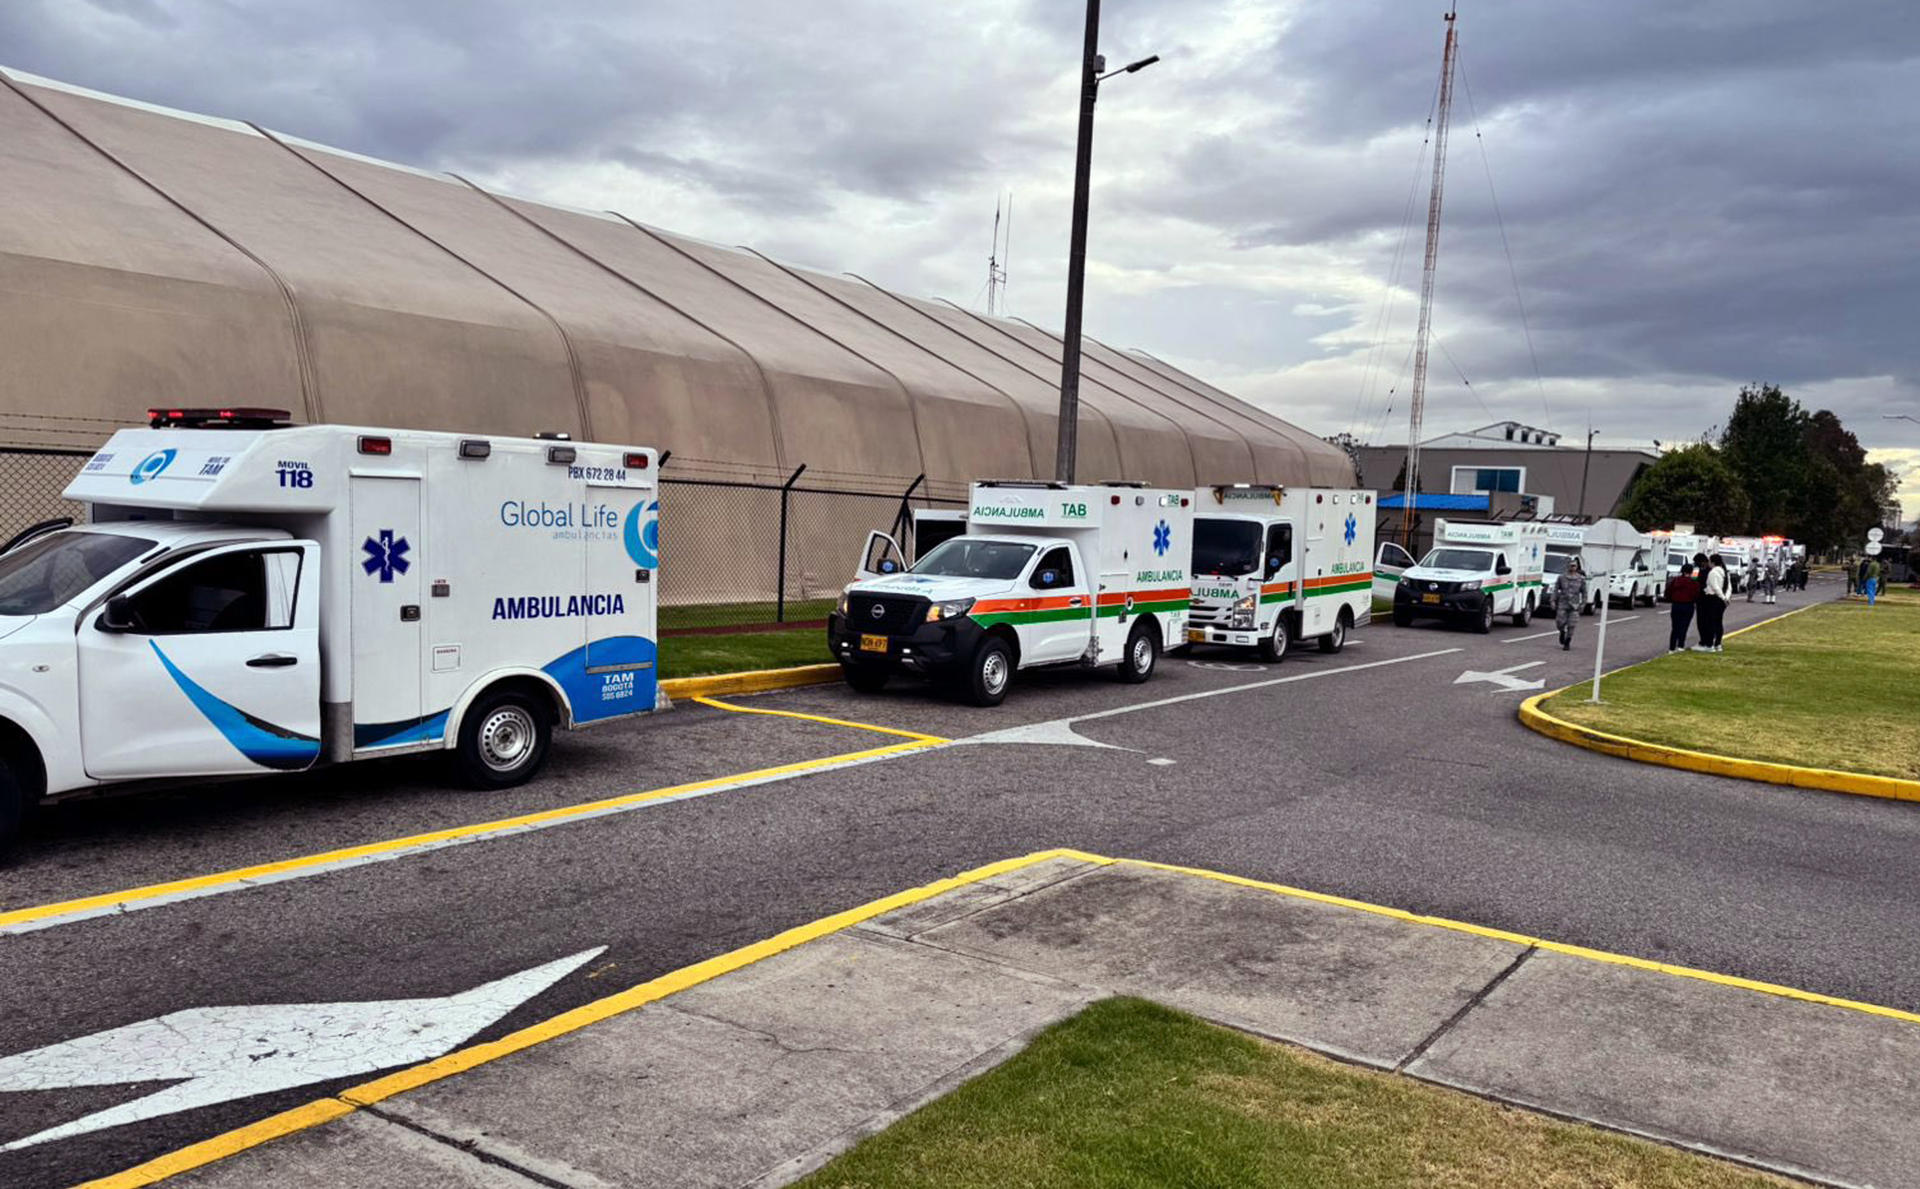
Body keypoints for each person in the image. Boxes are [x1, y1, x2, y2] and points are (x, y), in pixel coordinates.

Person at [1695, 551, 1729, 652]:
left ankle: (1709, 645)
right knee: (1717, 622)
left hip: (1712, 598)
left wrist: (1723, 598)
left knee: (1710, 622)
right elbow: (1726, 586)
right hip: (1718, 599)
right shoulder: (1723, 571)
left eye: (1710, 561)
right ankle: (1717, 643)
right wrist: (1725, 598)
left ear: (1713, 562)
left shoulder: (1713, 572)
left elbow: (1714, 587)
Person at [1666, 561, 1700, 653]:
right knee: (1684, 627)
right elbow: (1696, 595)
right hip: (1688, 606)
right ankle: (1681, 645)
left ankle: (1671, 648)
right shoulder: (1694, 583)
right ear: (1691, 572)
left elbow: (1668, 591)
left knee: (1675, 627)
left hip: (1676, 605)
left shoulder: (1676, 580)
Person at [1553, 556, 1586, 650]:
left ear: (1577, 567)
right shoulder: (1561, 578)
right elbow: (1556, 590)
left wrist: (1583, 604)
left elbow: (1584, 593)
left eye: (1574, 566)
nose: (1572, 567)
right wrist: (1552, 601)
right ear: (1568, 566)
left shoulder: (1581, 579)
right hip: (1563, 604)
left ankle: (1567, 641)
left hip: (1574, 606)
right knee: (1560, 622)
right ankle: (1562, 632)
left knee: (1572, 624)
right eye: (1571, 566)